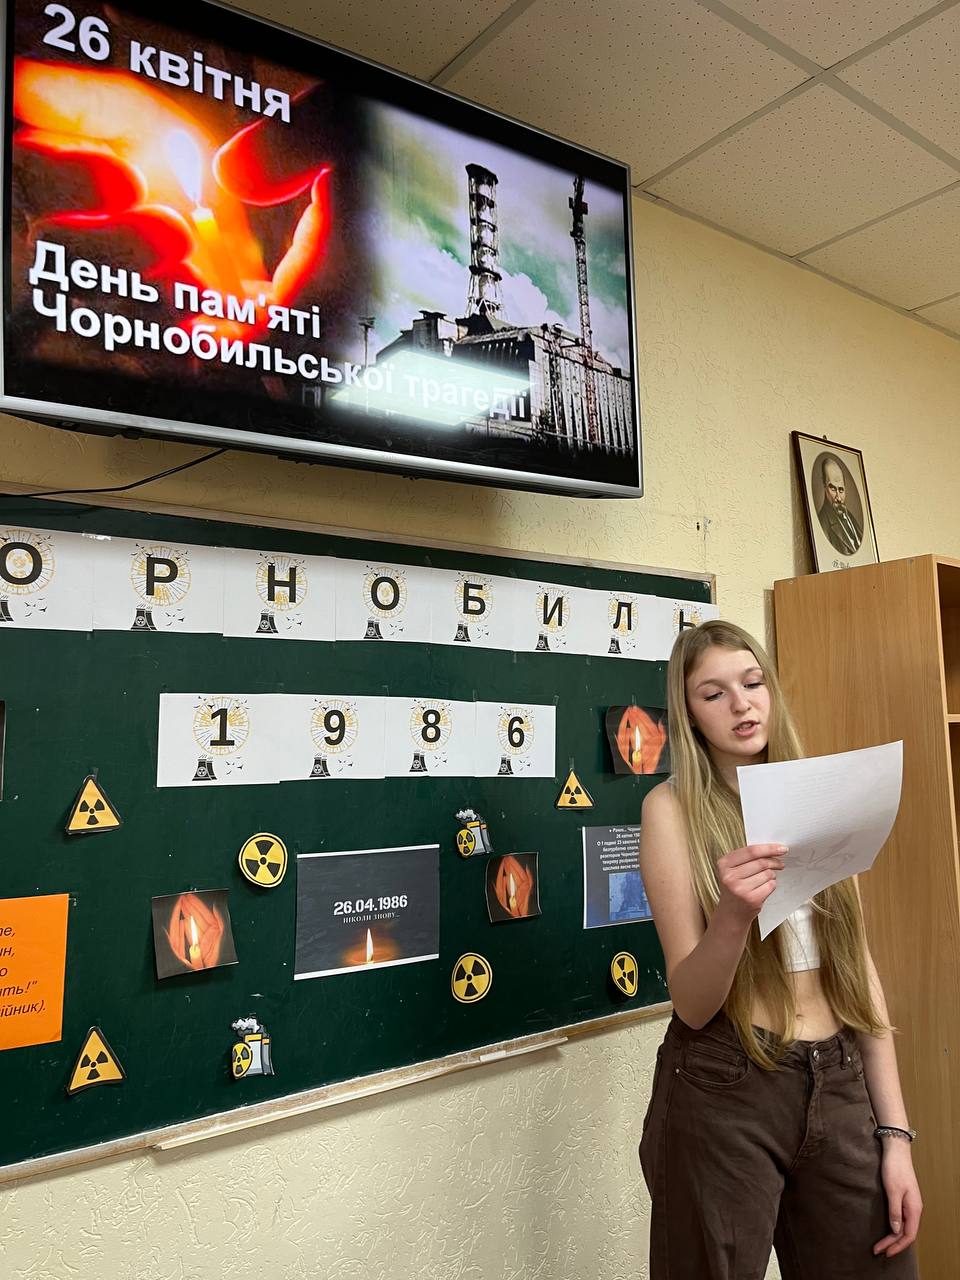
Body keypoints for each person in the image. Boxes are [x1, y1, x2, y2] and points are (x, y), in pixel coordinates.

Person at [638, 619, 920, 1279]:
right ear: (689, 714)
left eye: (752, 683)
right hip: (727, 1078)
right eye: (714, 694)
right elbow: (693, 1004)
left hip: (839, 1076)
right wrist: (733, 917)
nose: (741, 704)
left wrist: (896, 1136)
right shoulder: (670, 810)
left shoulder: (820, 794)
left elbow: (858, 974)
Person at [817, 455, 863, 556]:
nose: (838, 497)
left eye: (841, 490)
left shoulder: (850, 516)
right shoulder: (822, 524)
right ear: (824, 486)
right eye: (833, 489)